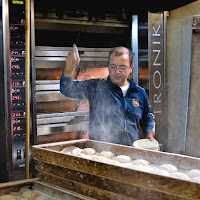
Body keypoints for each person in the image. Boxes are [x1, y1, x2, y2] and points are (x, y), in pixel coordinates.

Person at [60, 44, 155, 146]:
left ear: (131, 68)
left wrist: (149, 133)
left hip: (130, 156)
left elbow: (147, 118)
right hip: (101, 154)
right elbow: (67, 89)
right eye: (113, 67)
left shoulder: (139, 93)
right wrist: (70, 68)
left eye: (122, 67)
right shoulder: (96, 87)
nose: (116, 72)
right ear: (108, 67)